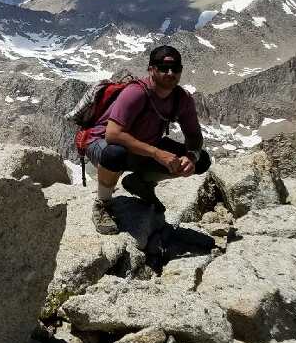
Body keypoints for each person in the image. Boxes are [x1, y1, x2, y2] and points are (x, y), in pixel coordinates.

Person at [85, 45, 211, 234]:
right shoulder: (135, 92)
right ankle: (102, 203)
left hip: (143, 146)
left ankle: (140, 182)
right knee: (114, 154)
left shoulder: (181, 99)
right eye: (163, 68)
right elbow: (112, 135)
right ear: (151, 69)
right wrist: (157, 153)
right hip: (102, 143)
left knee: (202, 160)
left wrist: (191, 158)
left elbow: (194, 136)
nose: (170, 73)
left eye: (175, 68)